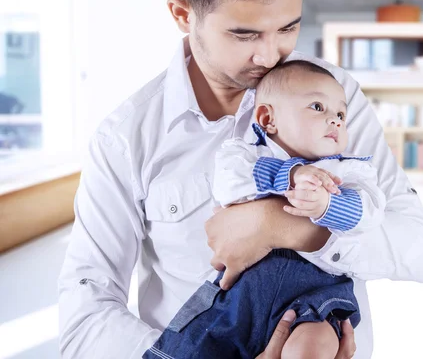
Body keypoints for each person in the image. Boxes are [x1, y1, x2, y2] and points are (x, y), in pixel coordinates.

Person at [57, 0, 423, 358]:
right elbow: (86, 313)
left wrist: (280, 226)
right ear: (183, 15)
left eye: (288, 27)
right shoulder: (124, 138)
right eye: (244, 34)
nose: (270, 56)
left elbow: (417, 250)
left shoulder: (332, 97)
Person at [143, 60, 386, 359]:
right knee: (190, 348)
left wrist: (328, 204)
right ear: (268, 118)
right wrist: (291, 175)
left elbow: (370, 210)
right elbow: (229, 183)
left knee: (313, 348)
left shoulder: (348, 171)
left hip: (314, 297)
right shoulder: (243, 155)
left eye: (340, 114)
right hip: (239, 296)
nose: (335, 120)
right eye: (318, 108)